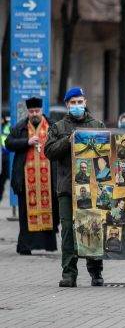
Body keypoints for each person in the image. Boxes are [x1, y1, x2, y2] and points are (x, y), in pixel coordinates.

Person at [44, 87, 106, 287]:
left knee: (91, 227)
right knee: (69, 230)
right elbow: (49, 151)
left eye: (80, 102)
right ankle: (69, 273)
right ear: (67, 105)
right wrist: (68, 140)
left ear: (85, 102)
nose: (77, 106)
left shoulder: (96, 125)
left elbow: (108, 151)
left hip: (91, 188)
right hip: (67, 188)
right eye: (73, 103)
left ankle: (96, 271)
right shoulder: (58, 126)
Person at [5, 97, 59, 254]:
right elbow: (8, 143)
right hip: (25, 181)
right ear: (28, 112)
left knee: (51, 210)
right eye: (31, 111)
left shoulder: (52, 125)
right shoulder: (20, 127)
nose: (34, 113)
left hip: (48, 179)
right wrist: (26, 141)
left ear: (42, 111)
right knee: (24, 214)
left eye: (37, 111)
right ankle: (25, 246)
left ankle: (48, 245)